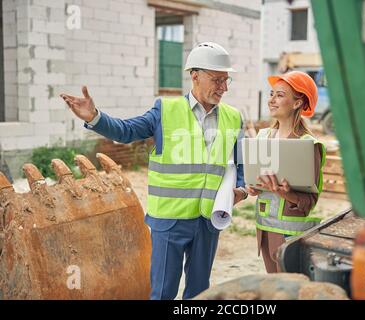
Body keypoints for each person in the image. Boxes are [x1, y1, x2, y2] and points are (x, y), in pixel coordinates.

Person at [60, 42, 248, 300]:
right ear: (195, 76)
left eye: (226, 80)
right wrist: (94, 117)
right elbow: (126, 131)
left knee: (199, 293)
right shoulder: (166, 110)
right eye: (217, 80)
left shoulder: (234, 117)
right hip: (169, 221)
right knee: (162, 292)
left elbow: (241, 161)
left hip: (208, 219)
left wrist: (242, 188)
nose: (224, 87)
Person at [245, 71, 326, 273]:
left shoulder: (307, 145)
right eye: (271, 94)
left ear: (297, 103)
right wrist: (253, 187)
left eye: (279, 95)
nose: (271, 100)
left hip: (291, 236)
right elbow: (256, 181)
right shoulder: (262, 137)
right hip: (264, 230)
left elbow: (310, 202)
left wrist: (286, 193)